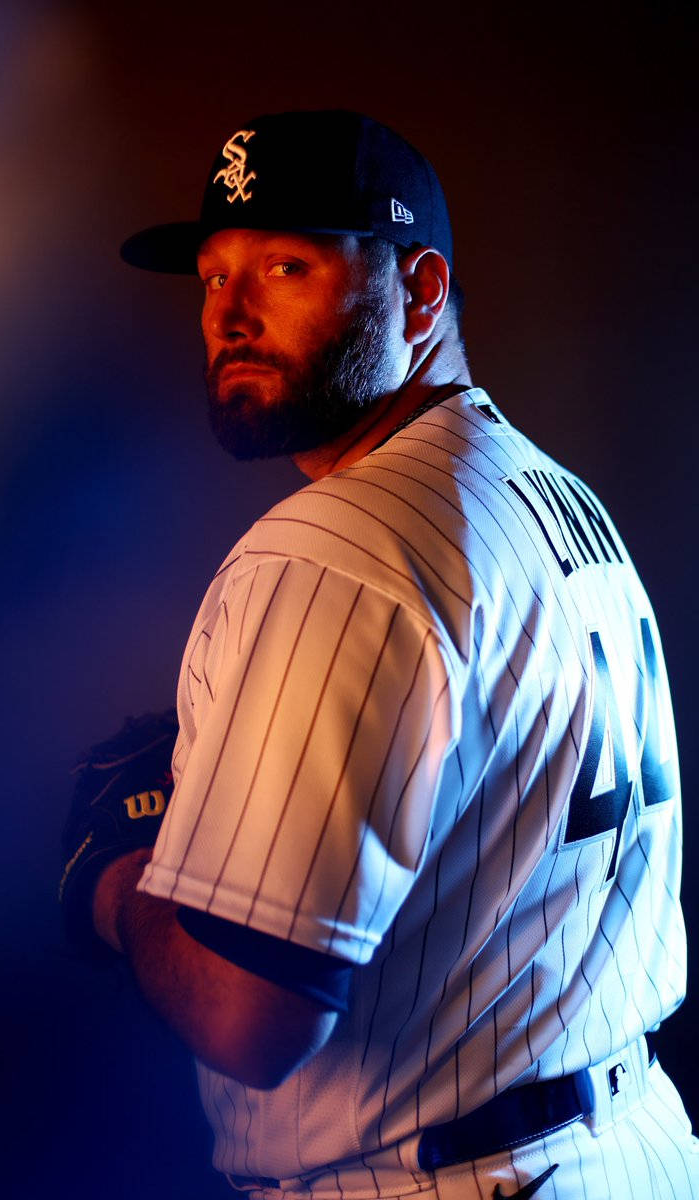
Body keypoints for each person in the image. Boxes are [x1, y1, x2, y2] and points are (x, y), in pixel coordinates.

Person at [61, 110, 698, 1199]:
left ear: (420, 289)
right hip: (620, 1142)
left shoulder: (332, 550)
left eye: (286, 265)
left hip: (440, 1176)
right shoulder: (542, 492)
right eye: (213, 276)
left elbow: (250, 1019)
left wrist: (118, 884)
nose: (232, 310)